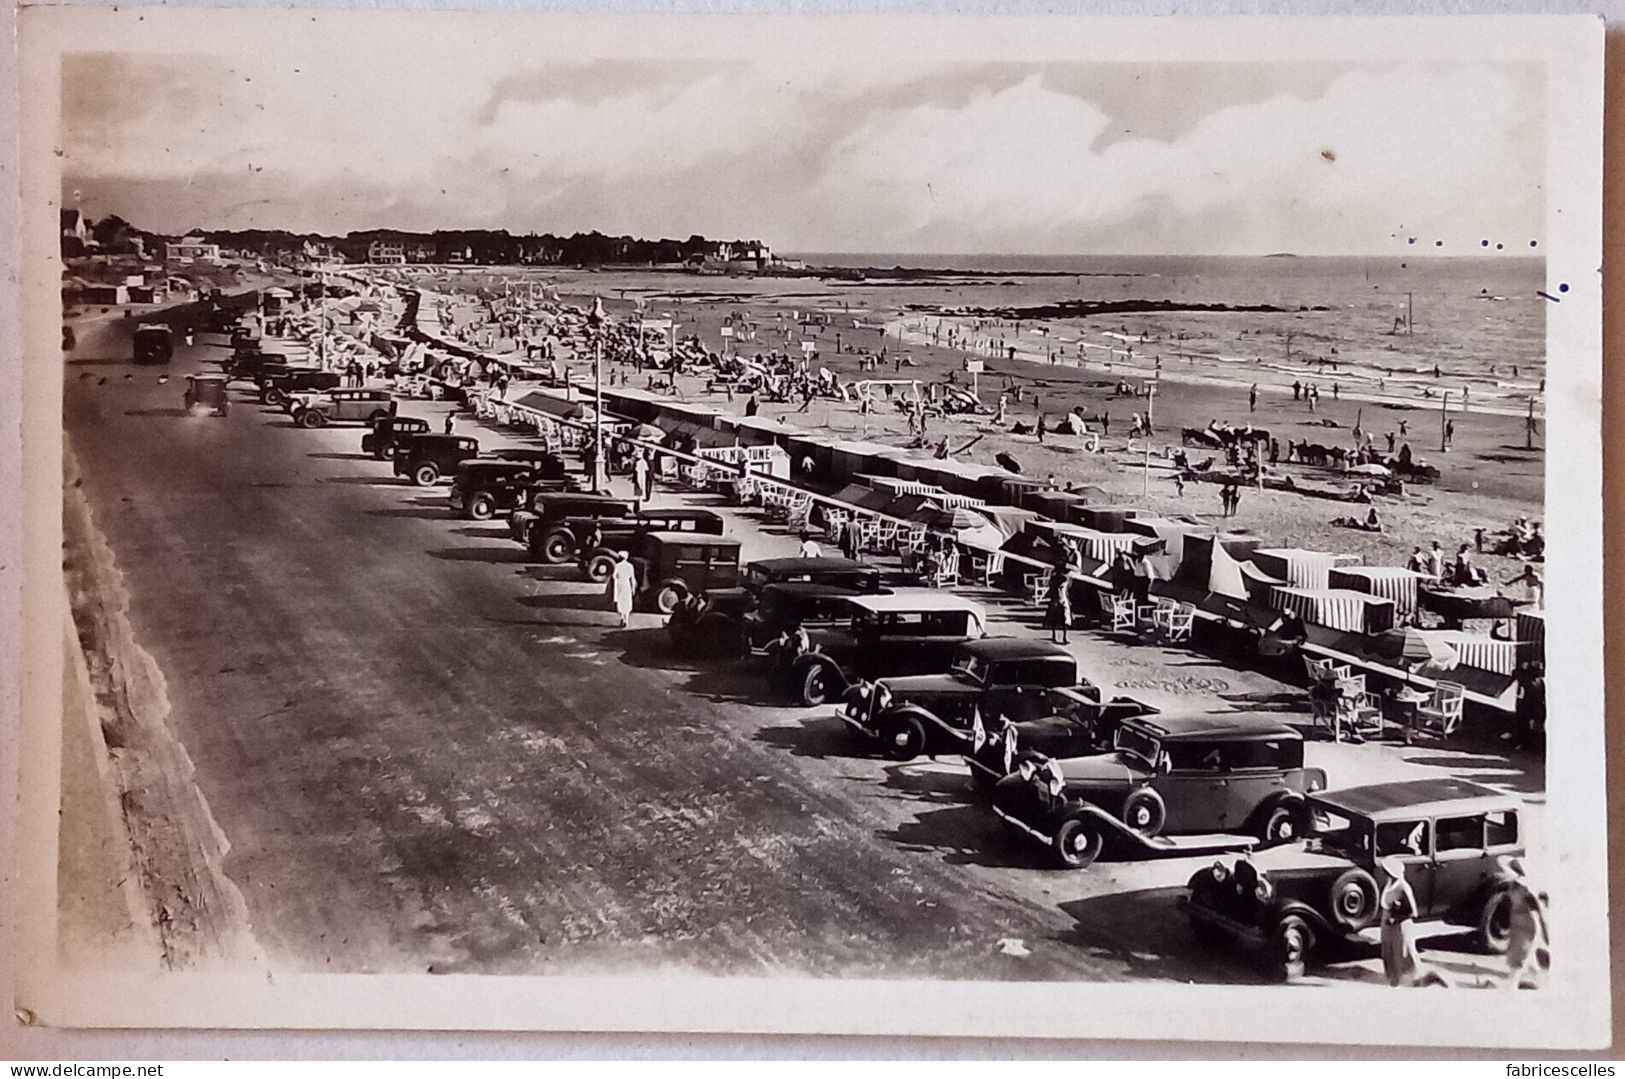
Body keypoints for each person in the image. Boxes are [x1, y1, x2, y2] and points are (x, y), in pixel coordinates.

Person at [607, 550, 637, 628]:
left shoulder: (617, 566)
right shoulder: (630, 566)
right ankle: (626, 619)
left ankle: (622, 618)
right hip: (627, 584)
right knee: (627, 602)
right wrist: (633, 588)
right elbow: (632, 578)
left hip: (619, 584)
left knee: (620, 602)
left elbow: (613, 576)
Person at [1044, 567, 1072, 644]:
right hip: (1062, 599)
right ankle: (1064, 637)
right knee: (1064, 618)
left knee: (1054, 617)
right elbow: (1065, 590)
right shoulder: (1064, 579)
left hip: (1056, 599)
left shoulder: (1053, 579)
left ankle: (1054, 635)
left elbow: (1052, 589)